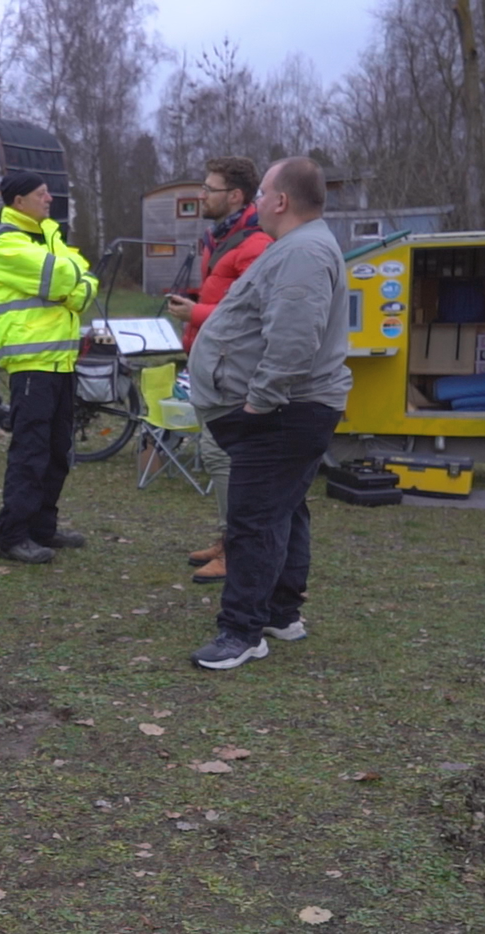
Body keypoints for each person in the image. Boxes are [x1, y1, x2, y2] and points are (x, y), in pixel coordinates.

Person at [184, 157, 351, 671]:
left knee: (253, 520)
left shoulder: (303, 253)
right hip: (289, 409)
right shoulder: (299, 247)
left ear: (281, 201)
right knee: (284, 510)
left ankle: (242, 631)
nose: (254, 201)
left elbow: (295, 339)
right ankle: (281, 613)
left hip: (283, 410)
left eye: (260, 192)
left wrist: (259, 399)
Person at [164, 157, 273, 586]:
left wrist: (197, 313)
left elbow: (253, 311)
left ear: (235, 196)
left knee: (223, 456)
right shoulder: (222, 237)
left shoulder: (254, 243)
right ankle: (230, 538)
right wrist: (195, 301)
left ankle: (236, 550)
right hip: (213, 360)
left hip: (234, 364)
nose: (201, 196)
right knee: (217, 454)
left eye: (209, 189)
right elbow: (227, 295)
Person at [0, 170, 98, 564]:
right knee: (30, 452)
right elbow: (65, 276)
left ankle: (42, 529)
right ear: (19, 201)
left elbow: (84, 281)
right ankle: (13, 534)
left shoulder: (46, 235)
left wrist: (76, 282)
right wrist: (75, 282)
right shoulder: (6, 243)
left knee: (56, 450)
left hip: (59, 361)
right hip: (32, 364)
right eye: (42, 193)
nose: (50, 198)